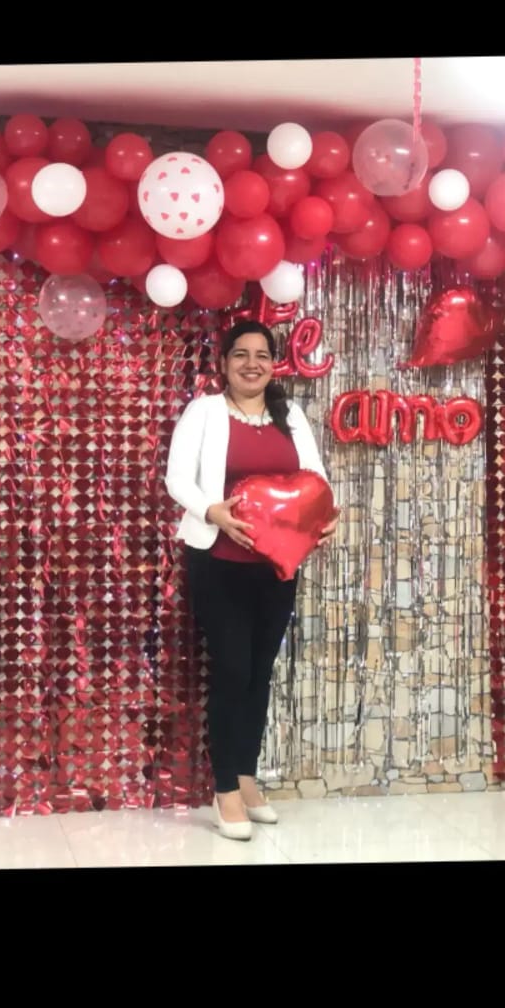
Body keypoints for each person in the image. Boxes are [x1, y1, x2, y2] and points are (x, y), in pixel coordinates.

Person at [165, 319, 339, 840]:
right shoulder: (204, 411)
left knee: (259, 672)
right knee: (232, 669)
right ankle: (223, 789)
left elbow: (316, 478)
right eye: (240, 354)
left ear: (274, 364)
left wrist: (325, 517)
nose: (251, 364)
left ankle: (245, 776)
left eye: (262, 355)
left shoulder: (291, 416)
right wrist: (212, 511)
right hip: (218, 563)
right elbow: (177, 478)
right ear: (224, 362)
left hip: (277, 567)